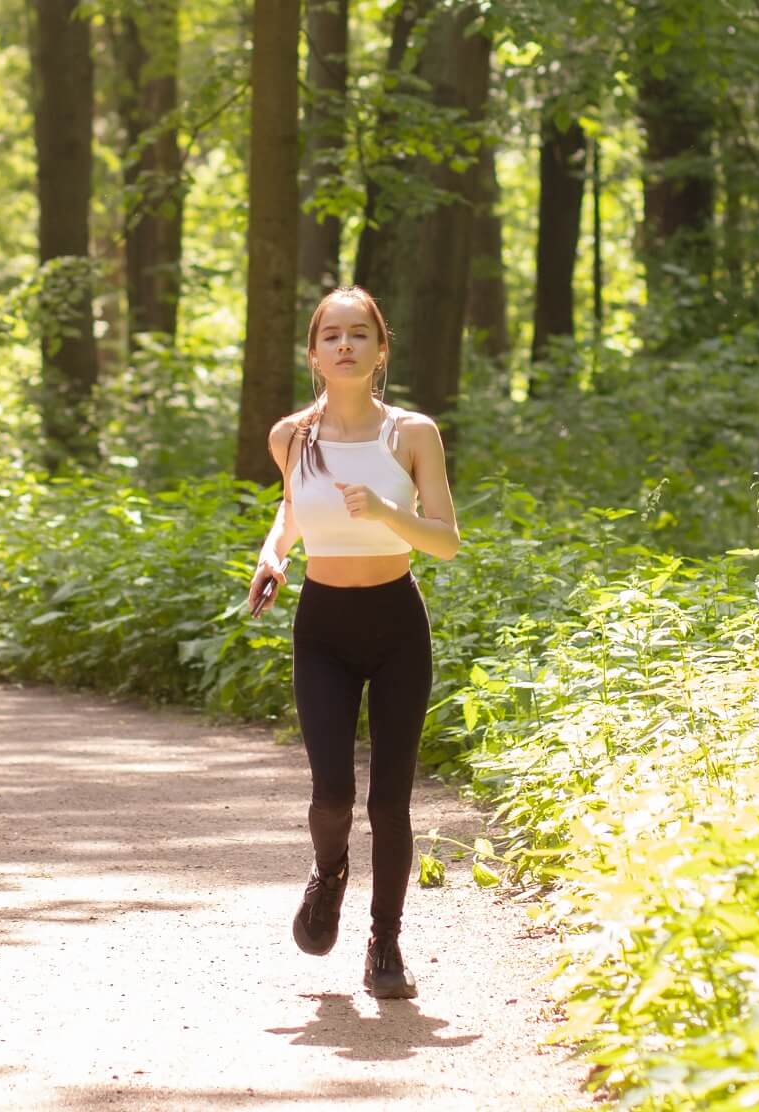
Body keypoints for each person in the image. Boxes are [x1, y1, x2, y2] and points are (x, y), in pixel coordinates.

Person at [246, 285, 460, 999]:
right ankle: (329, 870)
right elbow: (291, 512)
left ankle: (386, 943)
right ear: (313, 353)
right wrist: (273, 554)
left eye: (359, 334)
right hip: (323, 628)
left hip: (397, 625)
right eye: (331, 335)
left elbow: (446, 541)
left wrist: (391, 512)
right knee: (333, 794)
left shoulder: (412, 433)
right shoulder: (291, 437)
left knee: (390, 803)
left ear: (381, 350)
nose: (345, 344)